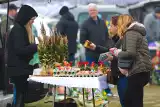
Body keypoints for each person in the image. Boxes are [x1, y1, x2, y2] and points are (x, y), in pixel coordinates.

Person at [88, 16, 127, 107]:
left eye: (111, 25)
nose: (109, 28)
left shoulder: (124, 39)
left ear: (117, 26)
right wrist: (96, 47)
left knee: (126, 101)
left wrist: (113, 59)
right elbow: (110, 50)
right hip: (119, 74)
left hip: (124, 74)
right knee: (124, 100)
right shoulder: (117, 38)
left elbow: (127, 56)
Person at [7, 5, 38, 107]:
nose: (33, 22)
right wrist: (35, 47)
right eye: (32, 19)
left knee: (22, 96)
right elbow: (20, 50)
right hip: (18, 70)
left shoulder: (21, 29)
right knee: (20, 96)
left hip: (21, 68)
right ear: (26, 17)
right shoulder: (18, 30)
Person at [117, 14, 152, 107]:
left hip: (138, 70)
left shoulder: (131, 33)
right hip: (142, 69)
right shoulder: (137, 32)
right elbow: (135, 50)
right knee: (129, 99)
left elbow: (130, 53)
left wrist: (118, 53)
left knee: (133, 101)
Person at [0, 4, 18, 91]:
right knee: (6, 68)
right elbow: (3, 35)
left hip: (11, 49)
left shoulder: (13, 21)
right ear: (11, 10)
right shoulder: (5, 21)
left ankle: (10, 86)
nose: (16, 12)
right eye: (15, 10)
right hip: (6, 49)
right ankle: (6, 87)